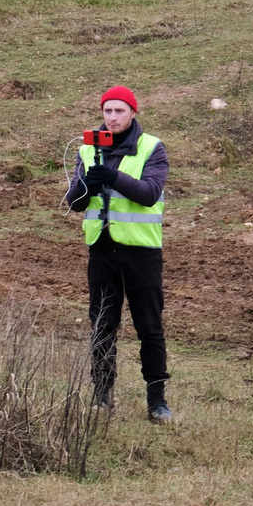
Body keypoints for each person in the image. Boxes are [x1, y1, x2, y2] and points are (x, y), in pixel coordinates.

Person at [66, 84, 171, 422]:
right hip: (102, 251)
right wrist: (86, 188)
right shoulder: (87, 149)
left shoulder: (152, 147)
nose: (112, 117)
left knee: (149, 328)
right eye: (107, 111)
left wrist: (113, 176)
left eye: (119, 111)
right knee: (102, 326)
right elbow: (74, 202)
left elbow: (150, 193)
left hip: (141, 252)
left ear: (132, 113)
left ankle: (157, 400)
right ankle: (102, 394)